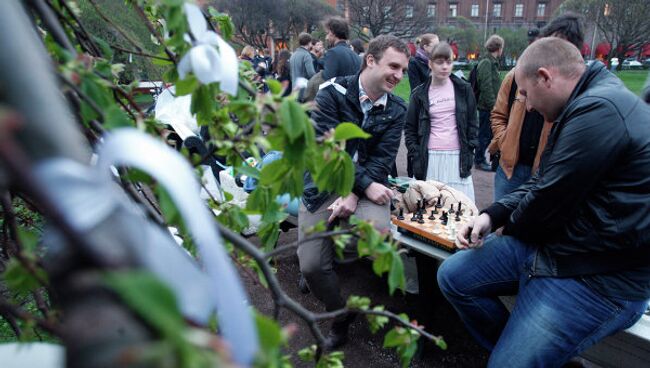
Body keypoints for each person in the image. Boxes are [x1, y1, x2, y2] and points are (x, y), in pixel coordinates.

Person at [437, 37, 650, 367]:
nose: (528, 105)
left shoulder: (599, 110)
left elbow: (542, 210)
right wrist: (491, 216)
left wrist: (509, 225)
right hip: (562, 250)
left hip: (599, 276)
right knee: (453, 276)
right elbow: (542, 184)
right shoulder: (585, 103)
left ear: (545, 77)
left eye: (524, 93)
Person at [299, 35, 410, 349]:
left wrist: (355, 193)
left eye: (404, 69)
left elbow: (384, 159)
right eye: (393, 66)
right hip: (324, 185)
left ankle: (329, 254)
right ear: (371, 60)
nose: (399, 76)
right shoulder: (332, 92)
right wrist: (355, 187)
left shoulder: (397, 108)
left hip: (366, 186)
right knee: (310, 265)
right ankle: (340, 315)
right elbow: (328, 149)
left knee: (378, 236)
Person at [489, 15, 585, 201]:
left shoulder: (577, 91)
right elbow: (498, 114)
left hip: (544, 172)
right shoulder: (517, 76)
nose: (530, 106)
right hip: (510, 168)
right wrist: (504, 140)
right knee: (499, 223)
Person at [404, 42, 478, 202]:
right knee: (429, 209)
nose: (444, 67)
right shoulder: (419, 94)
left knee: (459, 208)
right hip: (429, 157)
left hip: (457, 158)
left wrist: (470, 149)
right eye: (439, 62)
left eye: (449, 62)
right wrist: (416, 154)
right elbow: (409, 128)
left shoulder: (464, 89)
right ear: (430, 64)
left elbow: (473, 123)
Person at [474, 35, 504, 172]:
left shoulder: (493, 62)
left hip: (490, 106)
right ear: (498, 48)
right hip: (487, 107)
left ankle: (482, 159)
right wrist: (494, 107)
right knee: (484, 134)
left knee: (488, 134)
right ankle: (479, 160)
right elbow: (486, 86)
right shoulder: (487, 62)